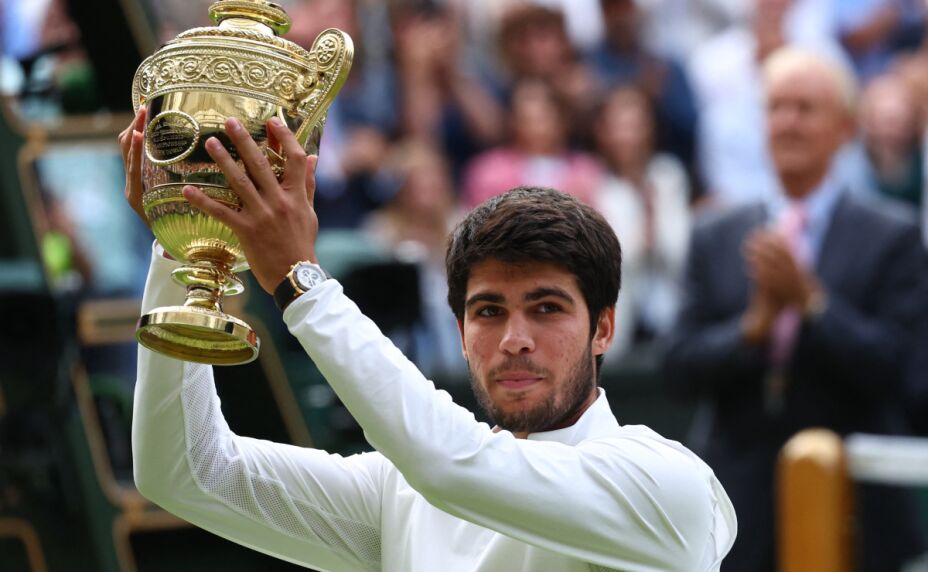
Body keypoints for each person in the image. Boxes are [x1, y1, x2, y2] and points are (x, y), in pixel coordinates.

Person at [120, 105, 736, 570]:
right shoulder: (402, 491)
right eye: (489, 312)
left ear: (604, 327)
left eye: (547, 308)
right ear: (462, 333)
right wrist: (189, 233)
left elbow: (449, 465)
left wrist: (300, 282)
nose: (515, 338)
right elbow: (184, 470)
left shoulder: (670, 486)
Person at [665, 46, 928, 571]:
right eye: (775, 107)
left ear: (845, 127)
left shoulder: (894, 236)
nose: (787, 122)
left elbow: (906, 374)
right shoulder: (716, 236)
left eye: (805, 108)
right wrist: (750, 331)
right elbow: (677, 368)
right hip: (733, 512)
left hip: (856, 510)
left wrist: (813, 304)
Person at [592, 86, 691, 358]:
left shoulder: (668, 175)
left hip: (671, 323)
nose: (629, 137)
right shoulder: (596, 185)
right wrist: (643, 232)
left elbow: (680, 254)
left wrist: (655, 220)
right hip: (620, 329)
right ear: (603, 131)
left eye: (636, 125)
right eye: (620, 126)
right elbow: (606, 265)